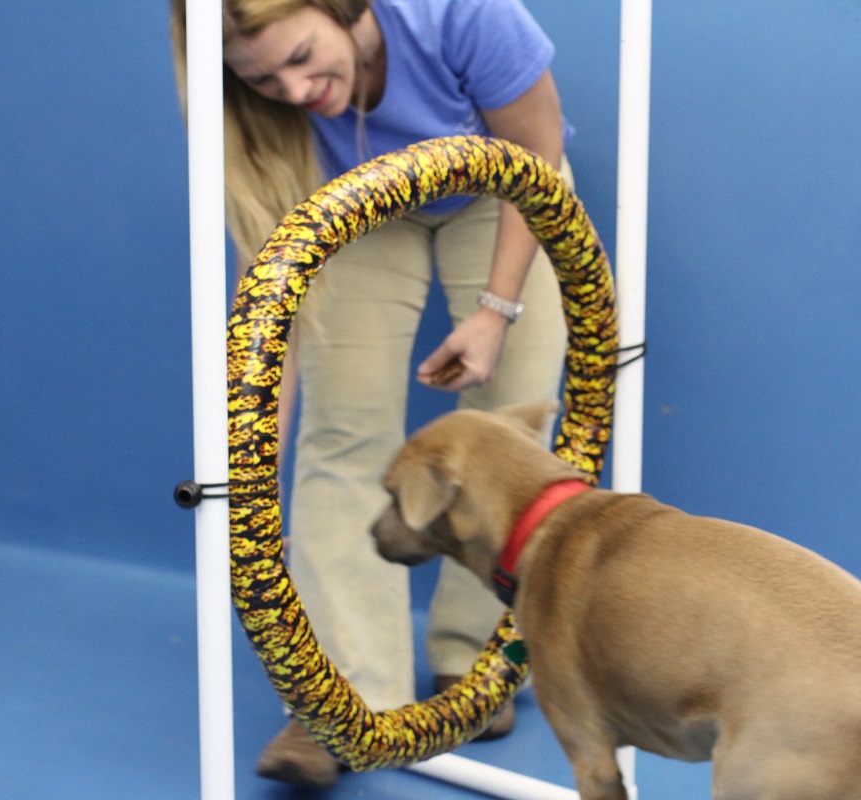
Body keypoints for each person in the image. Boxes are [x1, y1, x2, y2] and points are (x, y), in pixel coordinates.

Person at [169, 0, 572, 787]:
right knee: (342, 429)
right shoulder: (266, 117)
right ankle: (345, 696)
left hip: (500, 191)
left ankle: (478, 667)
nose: (294, 91)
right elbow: (271, 318)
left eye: (300, 56)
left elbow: (538, 150)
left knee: (513, 412)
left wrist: (496, 310)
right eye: (263, 80)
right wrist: (250, 476)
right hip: (356, 204)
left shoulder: (460, 13)